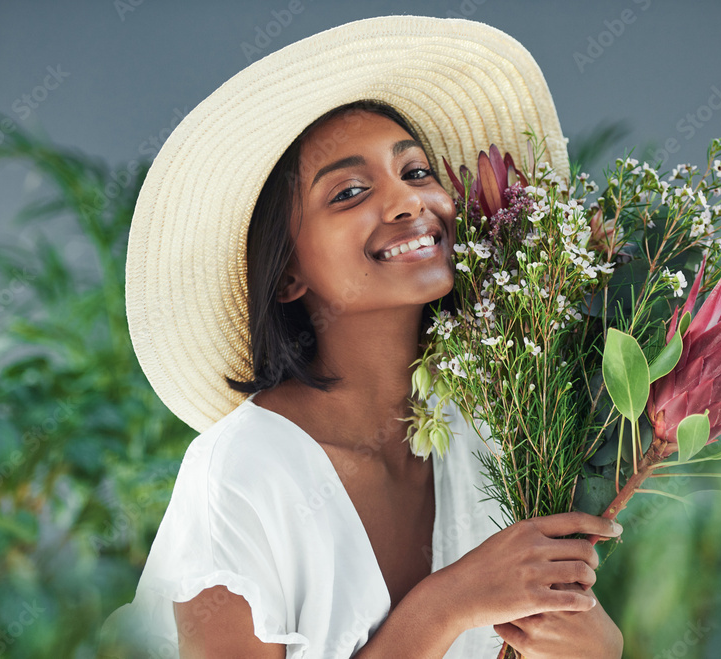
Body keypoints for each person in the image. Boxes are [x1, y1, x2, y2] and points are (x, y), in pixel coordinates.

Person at [99, 15, 624, 659]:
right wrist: (444, 605)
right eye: (349, 191)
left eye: (418, 171)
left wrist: (596, 648)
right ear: (287, 271)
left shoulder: (500, 435)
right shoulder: (239, 476)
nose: (408, 203)